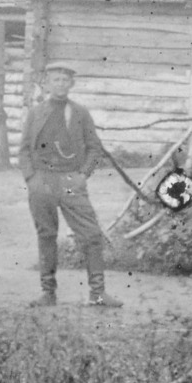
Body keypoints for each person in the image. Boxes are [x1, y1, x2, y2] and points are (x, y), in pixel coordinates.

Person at [18, 62, 123, 308]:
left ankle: (98, 294)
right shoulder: (35, 113)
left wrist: (83, 175)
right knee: (46, 235)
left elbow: (94, 147)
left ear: (71, 84)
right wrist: (31, 178)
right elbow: (24, 149)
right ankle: (48, 294)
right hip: (41, 180)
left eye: (65, 80)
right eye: (56, 79)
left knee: (91, 235)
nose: (61, 84)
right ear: (46, 83)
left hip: (69, 181)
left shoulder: (79, 113)